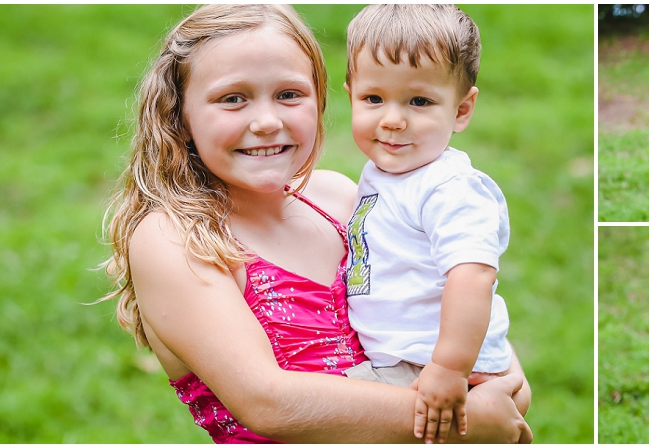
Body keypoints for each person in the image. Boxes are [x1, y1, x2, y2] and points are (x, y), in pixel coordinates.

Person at [99, 4, 531, 444]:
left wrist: (501, 380)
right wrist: (465, 420)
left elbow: (447, 301)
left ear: (321, 99)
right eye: (233, 98)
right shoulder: (176, 237)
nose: (267, 122)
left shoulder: (342, 200)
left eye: (289, 94)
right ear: (180, 115)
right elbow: (268, 402)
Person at [339, 5, 515, 443]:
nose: (393, 119)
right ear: (350, 96)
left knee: (330, 421)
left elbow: (473, 275)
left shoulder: (450, 188)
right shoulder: (387, 171)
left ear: (461, 110)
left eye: (419, 101)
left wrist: (448, 367)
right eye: (373, 99)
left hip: (426, 365)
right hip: (404, 356)